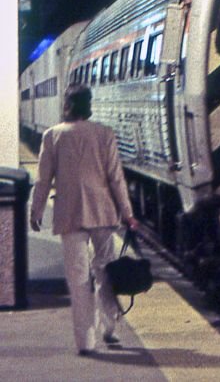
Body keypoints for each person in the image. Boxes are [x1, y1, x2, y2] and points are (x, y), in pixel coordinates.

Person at [28, 85, 140, 356]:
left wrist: (36, 210)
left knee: (78, 278)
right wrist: (127, 213)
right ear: (88, 106)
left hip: (70, 215)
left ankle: (85, 342)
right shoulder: (104, 134)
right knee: (105, 270)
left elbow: (44, 180)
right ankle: (109, 327)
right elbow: (116, 178)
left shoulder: (52, 136)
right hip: (103, 212)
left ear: (66, 104)